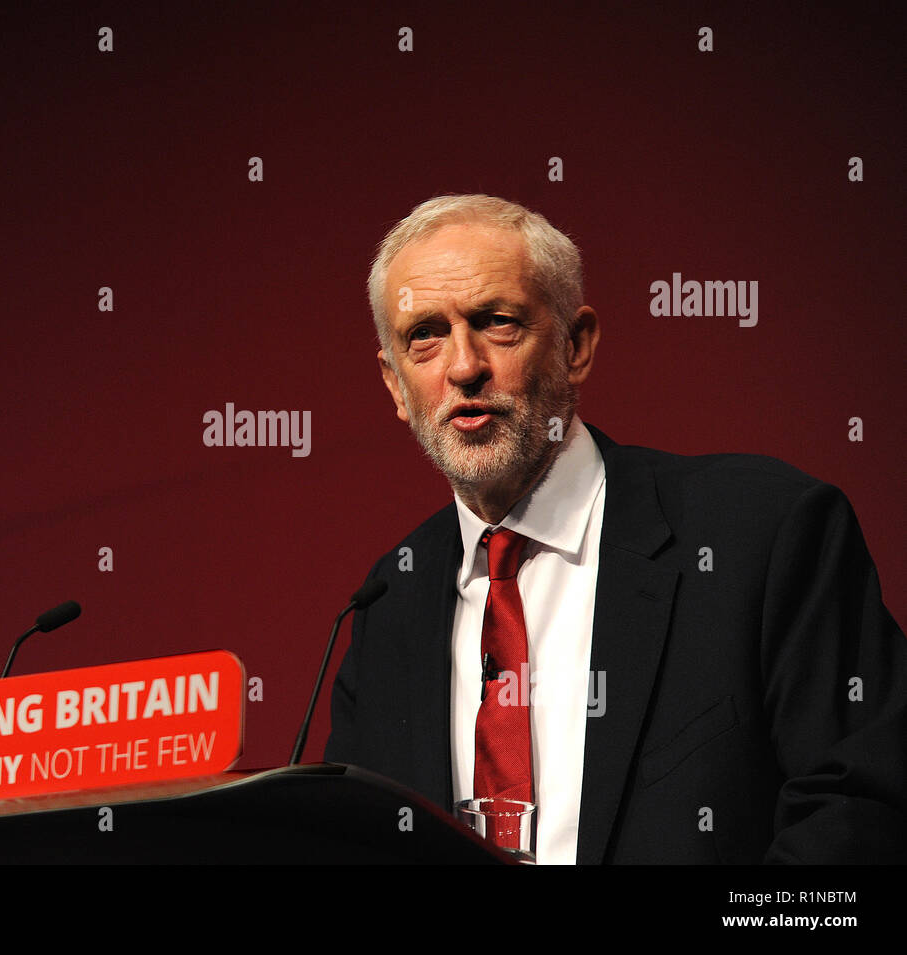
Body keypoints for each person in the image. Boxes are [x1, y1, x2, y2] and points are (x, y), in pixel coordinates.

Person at [324, 194, 907, 864]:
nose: (463, 366)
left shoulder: (764, 533)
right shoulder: (387, 606)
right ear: (395, 384)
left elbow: (862, 811)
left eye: (497, 321)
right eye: (424, 334)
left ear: (576, 345)